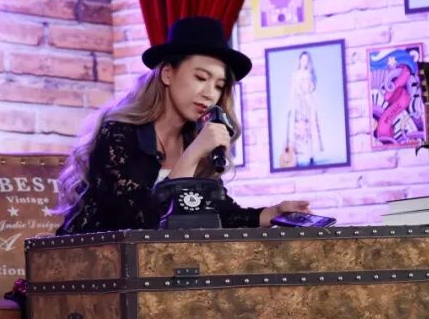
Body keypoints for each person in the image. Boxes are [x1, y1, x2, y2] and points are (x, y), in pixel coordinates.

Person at [54, 16, 307, 235]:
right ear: (167, 74)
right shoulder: (118, 132)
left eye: (219, 86)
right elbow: (140, 219)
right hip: (94, 265)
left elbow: (215, 211)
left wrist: (273, 213)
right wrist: (193, 154)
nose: (209, 93)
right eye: (200, 77)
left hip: (154, 267)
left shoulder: (192, 139)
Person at [282, 51, 323, 167]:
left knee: (310, 130)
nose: (305, 62)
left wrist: (311, 99)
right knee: (299, 131)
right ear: (299, 60)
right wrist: (290, 107)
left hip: (309, 104)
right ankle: (297, 158)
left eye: (307, 60)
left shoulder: (310, 75)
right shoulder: (295, 75)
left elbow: (312, 89)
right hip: (298, 105)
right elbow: (292, 92)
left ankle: (311, 156)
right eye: (303, 59)